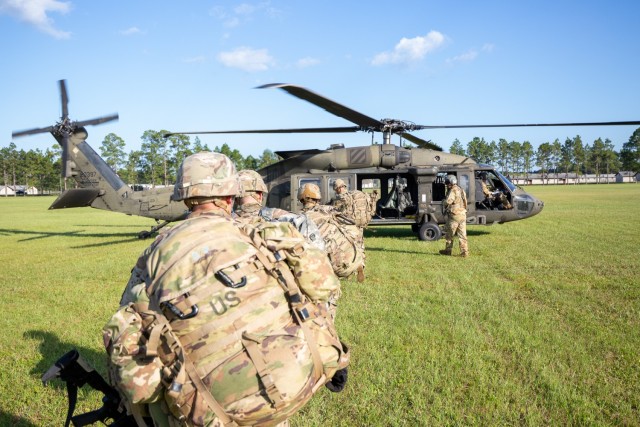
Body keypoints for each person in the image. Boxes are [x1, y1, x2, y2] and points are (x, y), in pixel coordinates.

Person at [110, 153, 349, 427]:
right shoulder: (262, 236)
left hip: (209, 410)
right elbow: (325, 287)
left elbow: (131, 345)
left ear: (185, 197)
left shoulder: (154, 256)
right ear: (229, 196)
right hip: (286, 386)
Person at [298, 183, 365, 282]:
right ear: (318, 197)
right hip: (355, 258)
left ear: (301, 198)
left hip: (334, 265)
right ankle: (359, 265)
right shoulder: (329, 210)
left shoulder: (302, 218)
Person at [439, 174, 469, 257]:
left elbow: (448, 201)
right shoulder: (461, 189)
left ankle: (448, 251)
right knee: (462, 235)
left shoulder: (453, 190)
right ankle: (464, 252)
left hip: (454, 215)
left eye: (447, 183)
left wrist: (443, 202)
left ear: (450, 183)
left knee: (449, 234)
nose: (446, 185)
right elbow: (465, 201)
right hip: (462, 214)